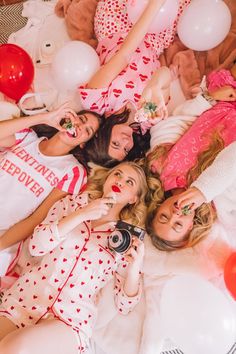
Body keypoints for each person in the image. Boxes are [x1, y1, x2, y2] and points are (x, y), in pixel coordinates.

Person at [0, 161, 148, 354]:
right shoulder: (70, 205)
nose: (120, 181)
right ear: (107, 179)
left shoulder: (125, 240)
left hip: (69, 319)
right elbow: (36, 246)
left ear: (133, 199)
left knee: (14, 349)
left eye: (129, 182)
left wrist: (135, 266)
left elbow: (124, 304)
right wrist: (81, 214)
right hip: (24, 300)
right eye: (117, 174)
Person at [79, 0, 191, 166]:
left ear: (101, 135)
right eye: (125, 150)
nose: (125, 142)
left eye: (116, 144)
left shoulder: (97, 101)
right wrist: (155, 87)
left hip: (118, 26)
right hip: (155, 40)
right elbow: (164, 73)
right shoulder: (146, 120)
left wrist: (154, 5)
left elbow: (125, 53)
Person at [0, 103, 102, 276]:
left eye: (87, 130)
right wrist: (44, 118)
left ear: (84, 143)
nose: (79, 126)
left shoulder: (73, 172)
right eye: (81, 119)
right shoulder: (27, 137)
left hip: (4, 234)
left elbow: (37, 219)